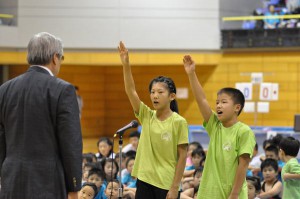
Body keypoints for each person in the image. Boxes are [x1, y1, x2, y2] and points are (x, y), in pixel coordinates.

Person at [0, 32, 82, 198]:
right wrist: (74, 187)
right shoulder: (63, 90)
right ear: (55, 58)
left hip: (11, 180)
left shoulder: (4, 89)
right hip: (47, 184)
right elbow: (70, 143)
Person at [118, 41, 189, 199]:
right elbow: (130, 90)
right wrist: (126, 64)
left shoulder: (179, 122)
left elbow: (183, 156)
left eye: (160, 92)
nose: (155, 95)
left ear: (172, 96)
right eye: (152, 92)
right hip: (144, 180)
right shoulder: (146, 115)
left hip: (167, 183)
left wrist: (175, 187)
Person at [183, 55, 256, 199]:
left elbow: (243, 165)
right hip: (208, 194)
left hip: (231, 195)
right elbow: (201, 99)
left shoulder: (244, 131)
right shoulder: (215, 125)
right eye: (217, 102)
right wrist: (191, 73)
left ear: (237, 107)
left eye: (223, 102)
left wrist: (234, 194)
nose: (218, 105)